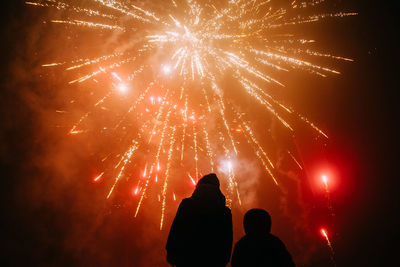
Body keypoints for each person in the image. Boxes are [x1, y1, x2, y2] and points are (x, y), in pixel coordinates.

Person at [166, 173, 233, 267]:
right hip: (213, 262)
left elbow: (176, 231)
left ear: (198, 187)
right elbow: (227, 241)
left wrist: (172, 255)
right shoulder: (225, 212)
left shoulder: (187, 204)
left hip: (186, 260)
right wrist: (222, 261)